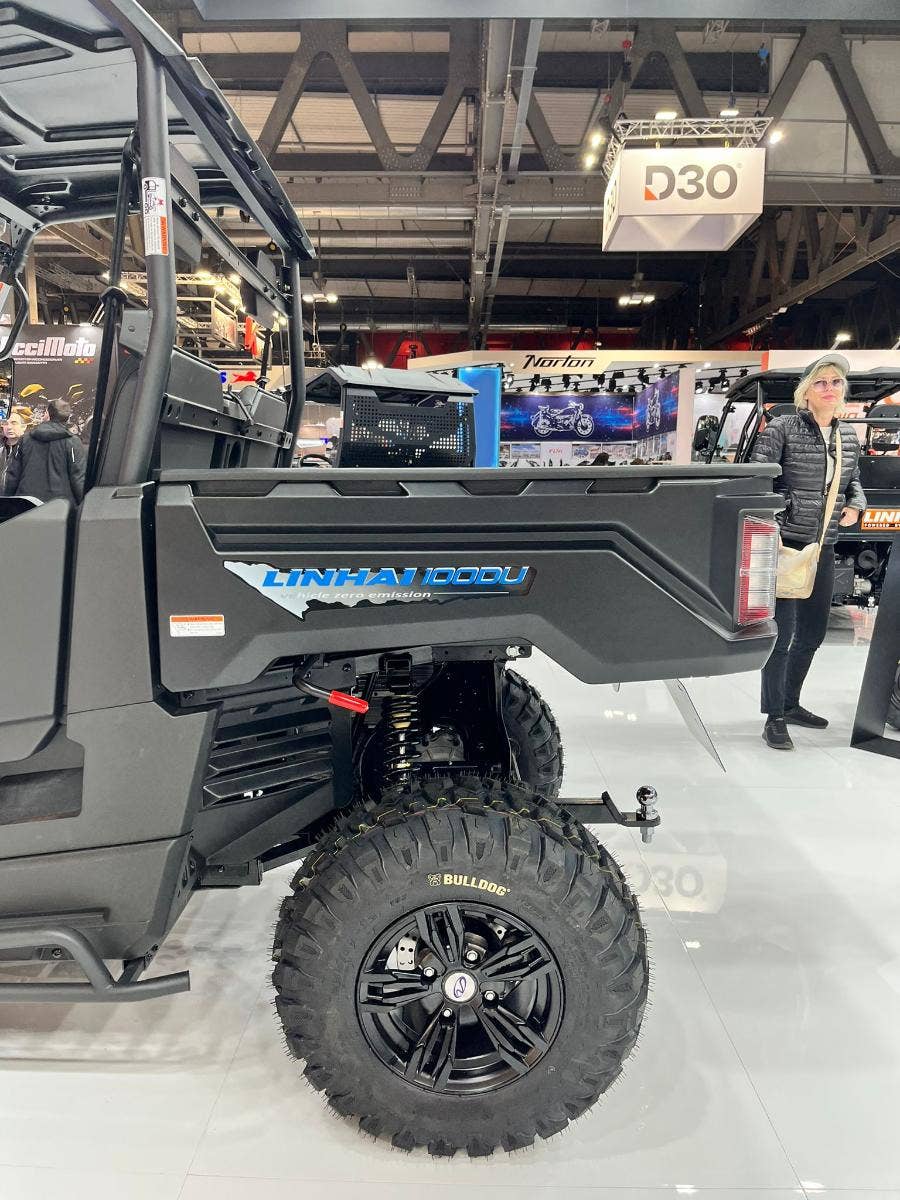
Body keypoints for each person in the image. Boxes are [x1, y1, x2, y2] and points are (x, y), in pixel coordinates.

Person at [751, 352, 866, 750]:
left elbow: (852, 480)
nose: (829, 388)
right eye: (821, 382)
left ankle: (790, 702)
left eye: (835, 382)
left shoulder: (846, 436)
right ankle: (774, 716)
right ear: (806, 391)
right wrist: (785, 512)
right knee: (781, 633)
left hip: (824, 544)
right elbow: (759, 479)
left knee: (813, 632)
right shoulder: (782, 427)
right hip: (786, 544)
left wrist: (857, 503)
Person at [3, 398, 87, 505]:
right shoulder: (72, 442)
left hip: (25, 505)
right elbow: (78, 478)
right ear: (68, 417)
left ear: (47, 414)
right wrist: (84, 507)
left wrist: (7, 504)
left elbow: (13, 476)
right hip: (60, 507)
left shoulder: (25, 439)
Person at [0, 407, 29, 492]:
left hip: (19, 496)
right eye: (5, 423)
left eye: (14, 423)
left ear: (24, 427)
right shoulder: (1, 448)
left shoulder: (30, 449)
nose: (9, 427)